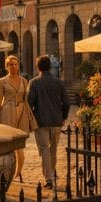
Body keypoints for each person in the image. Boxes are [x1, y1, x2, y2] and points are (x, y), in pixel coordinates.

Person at [27, 55, 70, 189]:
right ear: (50, 67)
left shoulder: (34, 82)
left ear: (38, 67)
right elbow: (66, 102)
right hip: (56, 121)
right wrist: (63, 117)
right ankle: (51, 173)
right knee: (53, 149)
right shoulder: (59, 82)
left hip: (41, 121)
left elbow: (29, 102)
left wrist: (32, 117)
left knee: (44, 149)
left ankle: (49, 178)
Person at [0, 55, 33, 184]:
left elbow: (27, 99)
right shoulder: (2, 81)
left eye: (16, 64)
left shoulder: (24, 81)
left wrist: (29, 115)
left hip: (22, 112)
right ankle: (7, 172)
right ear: (7, 66)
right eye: (11, 64)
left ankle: (17, 172)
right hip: (7, 111)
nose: (14, 67)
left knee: (20, 144)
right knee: (9, 144)